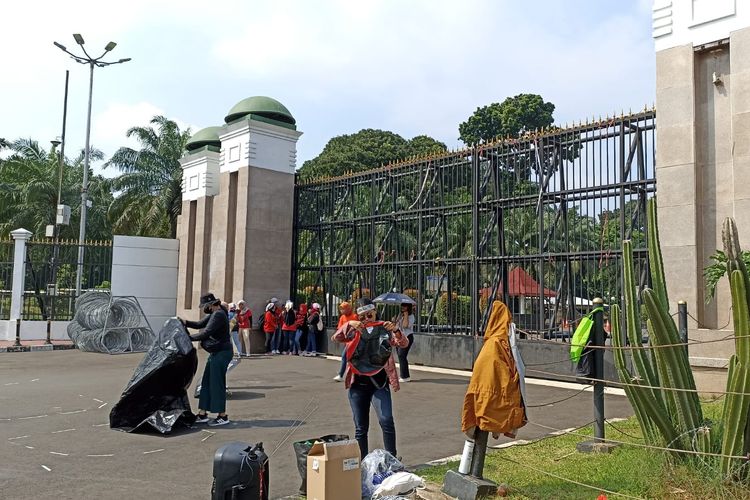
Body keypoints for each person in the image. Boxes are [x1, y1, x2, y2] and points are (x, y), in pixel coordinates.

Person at [332, 297, 408, 458]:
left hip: (379, 383)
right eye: (363, 316)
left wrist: (395, 330)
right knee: (361, 427)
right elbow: (336, 338)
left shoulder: (385, 328)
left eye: (370, 315)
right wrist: (348, 324)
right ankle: (363, 461)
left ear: (375, 312)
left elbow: (403, 343)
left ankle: (392, 458)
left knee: (386, 420)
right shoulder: (353, 330)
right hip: (358, 385)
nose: (367, 319)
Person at [180, 293, 233, 426]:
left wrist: (188, 338)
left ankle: (222, 416)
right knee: (207, 381)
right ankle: (202, 413)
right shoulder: (215, 313)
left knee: (217, 383)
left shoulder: (219, 314)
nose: (204, 308)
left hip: (222, 352)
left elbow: (205, 333)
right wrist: (184, 323)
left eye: (205, 306)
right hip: (217, 352)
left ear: (210, 304)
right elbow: (199, 324)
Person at [334, 301, 358, 381]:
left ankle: (341, 375)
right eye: (341, 309)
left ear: (348, 309)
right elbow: (339, 328)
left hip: (354, 340)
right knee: (350, 358)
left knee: (345, 357)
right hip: (347, 341)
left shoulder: (355, 316)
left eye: (343, 309)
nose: (342, 311)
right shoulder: (342, 317)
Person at [395, 303, 416, 382]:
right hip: (399, 337)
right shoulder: (400, 315)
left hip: (407, 337)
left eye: (405, 306)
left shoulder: (411, 316)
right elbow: (397, 326)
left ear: (408, 307)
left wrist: (406, 315)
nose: (403, 307)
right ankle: (403, 375)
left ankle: (405, 376)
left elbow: (405, 325)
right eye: (402, 306)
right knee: (400, 356)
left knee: (402, 355)